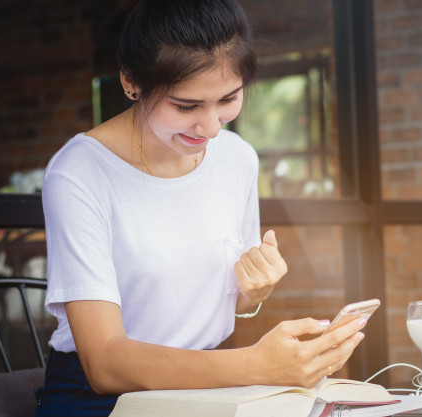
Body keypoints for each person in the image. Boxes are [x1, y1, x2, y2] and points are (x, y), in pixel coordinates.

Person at [35, 0, 366, 415]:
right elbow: (104, 363)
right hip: (101, 400)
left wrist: (253, 292)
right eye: (186, 106)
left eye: (228, 98)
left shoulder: (237, 158)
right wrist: (257, 365)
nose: (210, 128)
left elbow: (218, 301)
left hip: (207, 390)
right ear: (131, 82)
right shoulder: (80, 172)